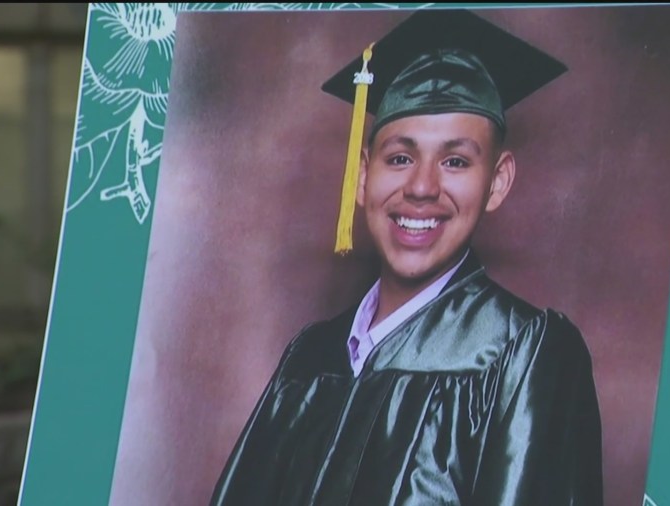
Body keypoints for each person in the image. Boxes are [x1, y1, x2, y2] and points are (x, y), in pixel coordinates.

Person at [211, 9, 603, 506]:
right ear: (362, 176)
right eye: (400, 157)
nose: (421, 187)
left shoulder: (522, 355)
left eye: (456, 161)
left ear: (497, 182)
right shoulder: (308, 358)